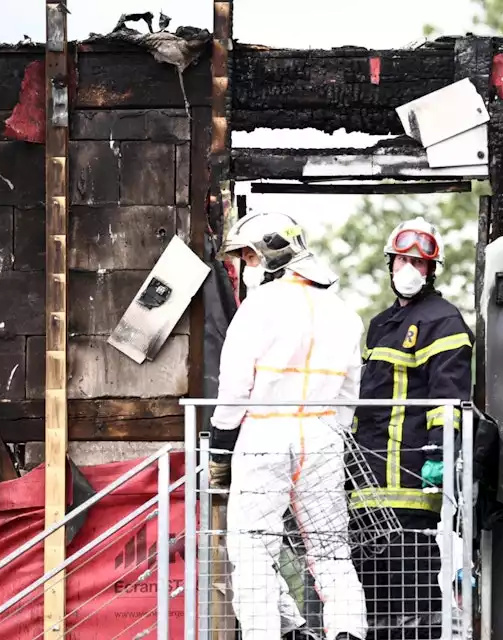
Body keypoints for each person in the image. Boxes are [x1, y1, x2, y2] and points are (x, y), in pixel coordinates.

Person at [210, 212, 367, 640]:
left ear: (267, 253)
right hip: (322, 437)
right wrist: (332, 433)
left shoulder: (259, 307)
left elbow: (235, 387)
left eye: (248, 256)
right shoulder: (345, 314)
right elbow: (348, 394)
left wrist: (221, 444)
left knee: (253, 548)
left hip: (265, 433)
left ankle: (269, 634)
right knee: (331, 552)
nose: (247, 265)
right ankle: (346, 633)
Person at [350, 217, 474, 639]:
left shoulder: (445, 321)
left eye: (419, 264)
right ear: (390, 263)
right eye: (403, 259)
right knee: (370, 606)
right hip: (365, 489)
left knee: (412, 605)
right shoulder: (380, 325)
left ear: (431, 270)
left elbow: (449, 399)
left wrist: (439, 456)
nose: (409, 269)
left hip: (411, 491)